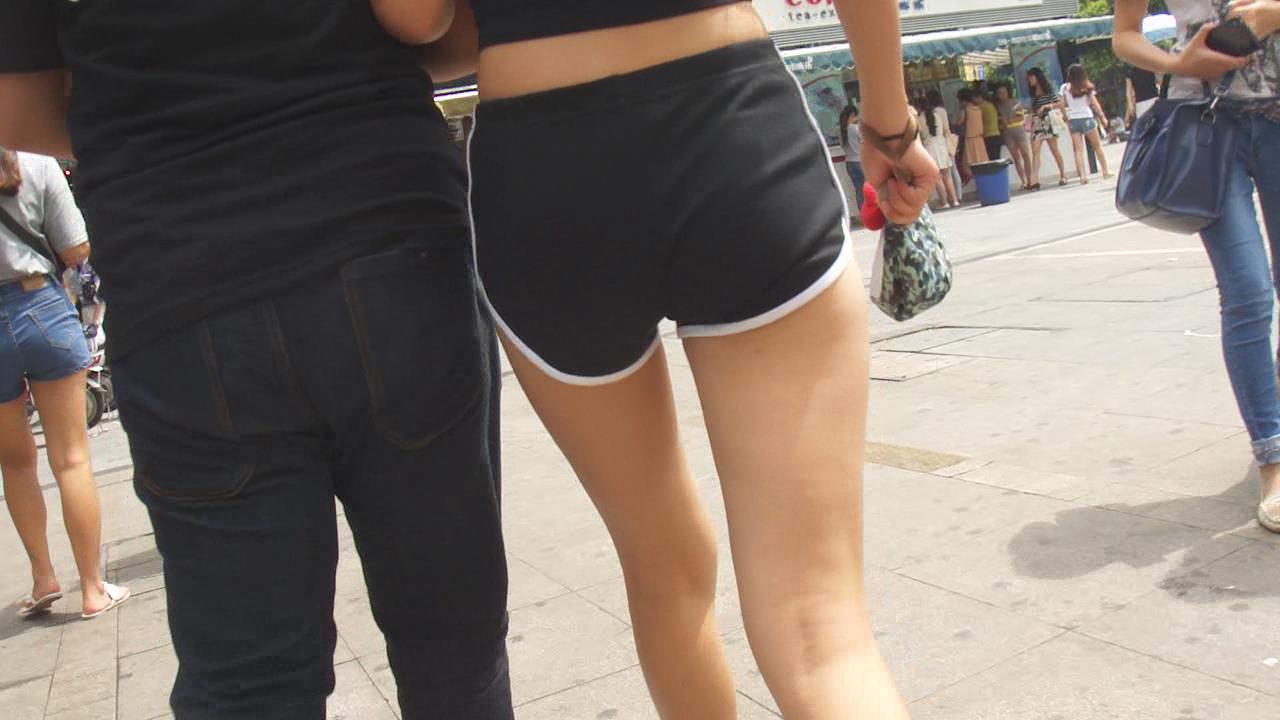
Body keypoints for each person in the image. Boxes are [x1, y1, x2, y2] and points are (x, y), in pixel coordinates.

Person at [375, 1, 937, 718]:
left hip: (543, 165)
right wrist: (889, 125)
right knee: (818, 625)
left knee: (664, 569)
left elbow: (416, 20)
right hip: (730, 121)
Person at [1, 3, 514, 718]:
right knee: (454, 648)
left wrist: (146, 114)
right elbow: (437, 21)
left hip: (180, 272)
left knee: (248, 685)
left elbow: (18, 106)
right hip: (382, 228)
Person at [1115, 0, 1280, 533]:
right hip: (1207, 125)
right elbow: (1125, 34)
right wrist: (1177, 63)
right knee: (1248, 293)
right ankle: (1273, 460)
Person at [0, 148, 129, 620]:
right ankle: (93, 590)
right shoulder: (34, 162)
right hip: (40, 308)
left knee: (15, 464)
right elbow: (76, 248)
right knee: (72, 459)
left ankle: (43, 579)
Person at [1061, 64, 1113, 184]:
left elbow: (1061, 104)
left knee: (1078, 150)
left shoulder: (1064, 88)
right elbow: (1094, 103)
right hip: (1087, 118)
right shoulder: (1087, 86)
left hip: (1073, 120)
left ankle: (1083, 176)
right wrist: (1102, 116)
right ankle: (1105, 171)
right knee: (1097, 146)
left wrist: (1066, 117)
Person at [1026, 67, 1070, 188]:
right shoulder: (1033, 93)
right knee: (1035, 151)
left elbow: (1059, 103)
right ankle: (1034, 180)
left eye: (1031, 77)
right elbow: (1033, 109)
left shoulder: (1048, 90)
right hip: (1037, 123)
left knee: (1054, 149)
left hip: (1048, 122)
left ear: (1037, 77)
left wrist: (1046, 106)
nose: (1030, 80)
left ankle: (1063, 175)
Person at [921, 90, 962, 208]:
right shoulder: (937, 115)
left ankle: (944, 202)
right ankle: (955, 200)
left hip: (930, 148)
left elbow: (922, 135)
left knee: (937, 177)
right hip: (942, 146)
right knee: (947, 176)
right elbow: (945, 130)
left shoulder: (921, 118)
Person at [996, 82, 1034, 190]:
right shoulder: (998, 106)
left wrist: (1007, 121)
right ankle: (1023, 181)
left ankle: (1030, 180)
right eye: (1000, 93)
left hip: (1018, 130)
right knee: (1016, 158)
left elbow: (1020, 117)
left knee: (1025, 154)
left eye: (1004, 92)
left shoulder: (1015, 102)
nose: (1002, 95)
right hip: (1007, 133)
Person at [840, 102, 866, 210]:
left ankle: (863, 214)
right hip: (860, 162)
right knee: (870, 189)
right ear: (852, 115)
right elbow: (865, 142)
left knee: (859, 190)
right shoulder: (855, 128)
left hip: (849, 163)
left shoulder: (841, 130)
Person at [959, 88, 990, 176]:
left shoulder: (965, 110)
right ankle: (981, 178)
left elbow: (959, 122)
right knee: (981, 162)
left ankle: (976, 179)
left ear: (963, 101)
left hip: (970, 139)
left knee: (966, 164)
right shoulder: (978, 109)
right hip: (979, 139)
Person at [979, 86, 1004, 162]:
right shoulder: (992, 105)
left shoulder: (981, 107)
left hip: (988, 135)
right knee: (996, 158)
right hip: (997, 134)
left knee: (991, 158)